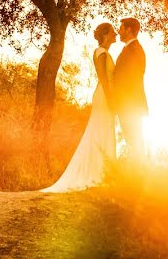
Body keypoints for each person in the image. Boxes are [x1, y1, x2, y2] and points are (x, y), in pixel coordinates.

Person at [42, 22, 117, 192]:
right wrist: (110, 98)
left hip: (106, 95)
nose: (116, 35)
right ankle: (99, 175)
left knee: (104, 131)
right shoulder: (102, 53)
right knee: (100, 131)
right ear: (105, 35)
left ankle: (103, 174)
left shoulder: (104, 53)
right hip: (104, 95)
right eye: (113, 32)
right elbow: (103, 78)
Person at [112, 17, 148, 158]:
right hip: (126, 104)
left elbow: (131, 79)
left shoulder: (135, 50)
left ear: (129, 29)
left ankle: (139, 175)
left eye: (121, 29)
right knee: (132, 142)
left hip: (130, 105)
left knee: (135, 142)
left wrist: (120, 100)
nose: (118, 32)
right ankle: (136, 174)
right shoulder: (128, 48)